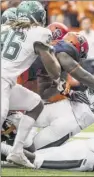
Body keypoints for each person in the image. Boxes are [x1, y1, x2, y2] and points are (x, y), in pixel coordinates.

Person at [4, 67, 94, 151]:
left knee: (26, 117)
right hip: (72, 123)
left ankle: (10, 122)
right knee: (33, 149)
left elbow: (89, 77)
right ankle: (7, 146)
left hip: (65, 105)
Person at [1, 1, 61, 168]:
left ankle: (17, 151)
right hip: (2, 82)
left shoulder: (4, 29)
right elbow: (54, 72)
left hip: (6, 83)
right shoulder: (39, 32)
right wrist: (51, 53)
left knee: (34, 103)